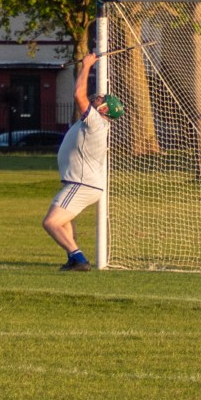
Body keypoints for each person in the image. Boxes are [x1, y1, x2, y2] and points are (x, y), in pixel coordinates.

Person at [41, 53, 125, 271]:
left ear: (104, 110)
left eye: (99, 99)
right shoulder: (93, 122)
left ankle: (79, 259)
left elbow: (78, 94)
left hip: (83, 183)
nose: (95, 98)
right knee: (63, 221)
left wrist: (86, 65)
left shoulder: (96, 121)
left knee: (50, 222)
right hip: (81, 182)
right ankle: (72, 259)